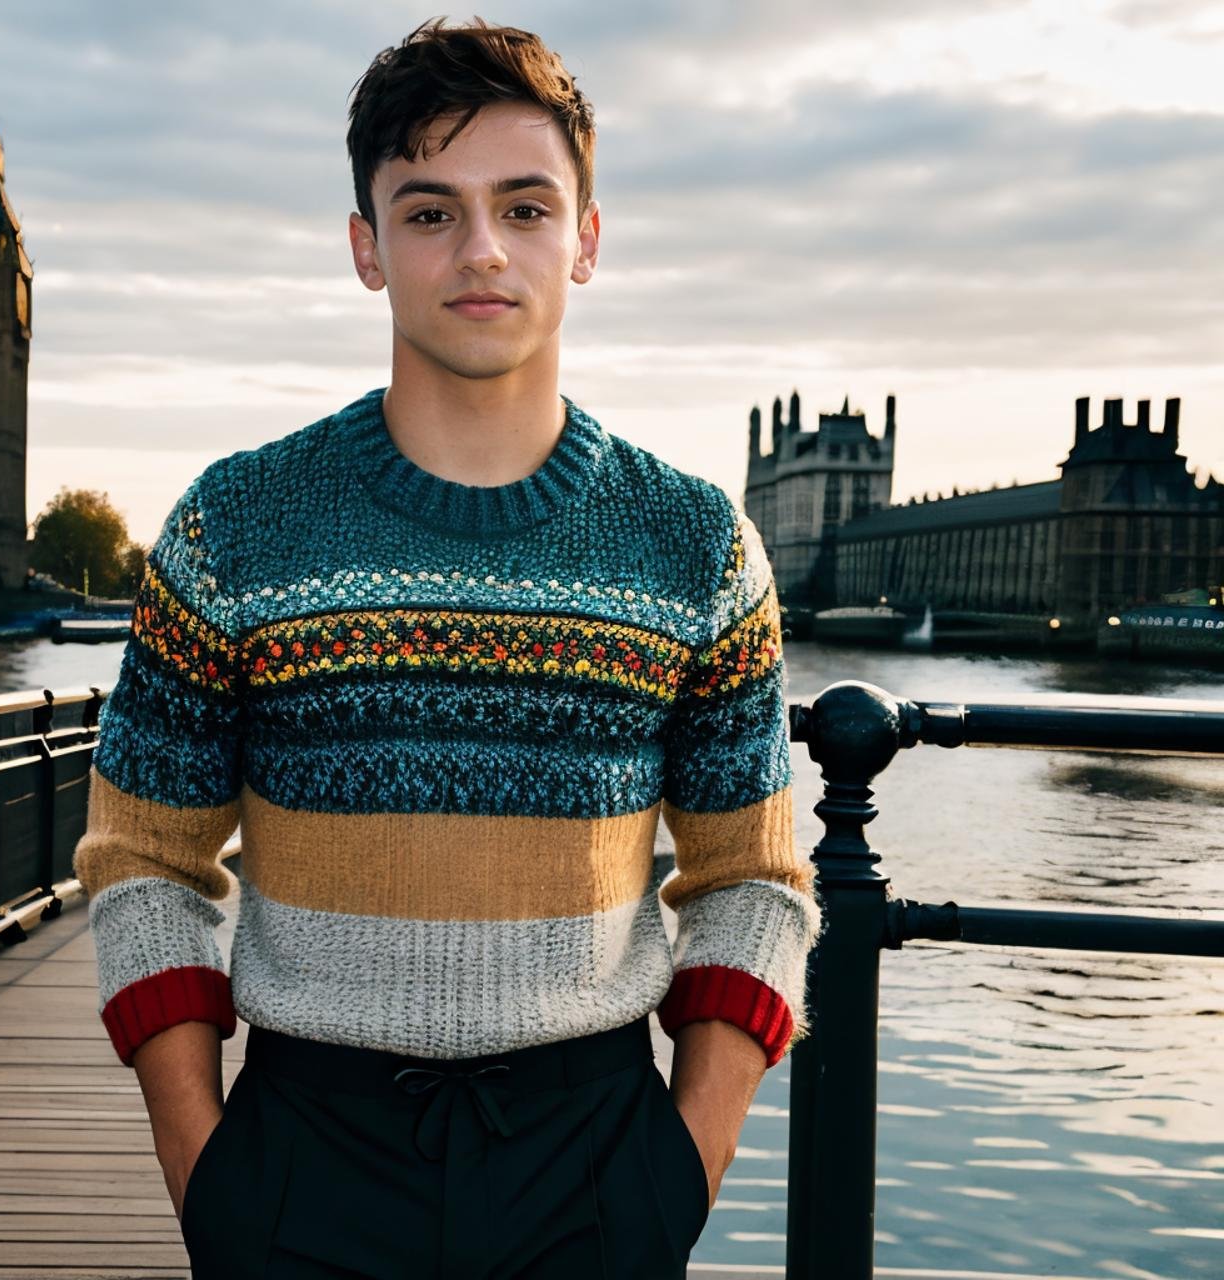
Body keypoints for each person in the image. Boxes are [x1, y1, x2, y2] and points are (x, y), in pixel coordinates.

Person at [72, 17, 824, 1278]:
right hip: (302, 1153)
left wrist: (678, 1165)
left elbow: (751, 878)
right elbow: (143, 858)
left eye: (525, 207)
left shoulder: (695, 546)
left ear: (585, 239)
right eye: (429, 212)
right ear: (367, 248)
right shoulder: (232, 531)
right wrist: (206, 1167)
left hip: (593, 1159)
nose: (482, 249)